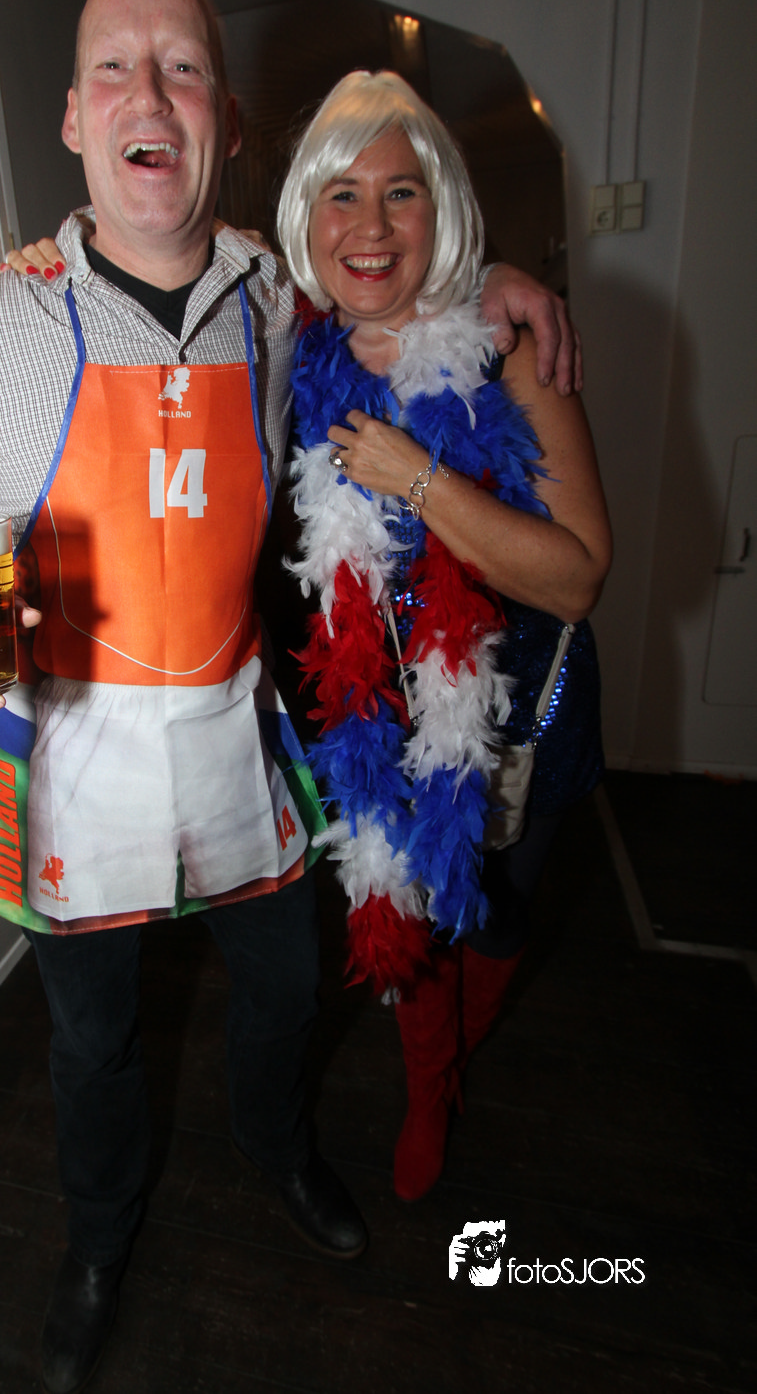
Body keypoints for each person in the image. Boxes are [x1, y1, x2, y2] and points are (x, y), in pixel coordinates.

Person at [0, 0, 582, 1394]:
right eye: (113, 68)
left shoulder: (272, 299)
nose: (149, 93)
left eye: (182, 66)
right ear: (73, 118)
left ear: (225, 121)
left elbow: (390, 276)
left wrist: (492, 277)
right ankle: (96, 1239)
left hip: (237, 724)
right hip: (71, 747)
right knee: (93, 1039)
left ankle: (277, 1146)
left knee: (284, 984)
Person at [274, 69, 612, 1204]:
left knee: (496, 914)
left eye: (401, 192)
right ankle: (430, 1087)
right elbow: (177, 252)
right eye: (342, 194)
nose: (369, 226)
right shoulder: (288, 349)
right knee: (405, 910)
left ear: (442, 209)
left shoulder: (502, 342)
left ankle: (459, 1050)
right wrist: (53, 251)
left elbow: (578, 576)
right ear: (307, 216)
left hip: (518, 711)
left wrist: (417, 478)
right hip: (372, 716)